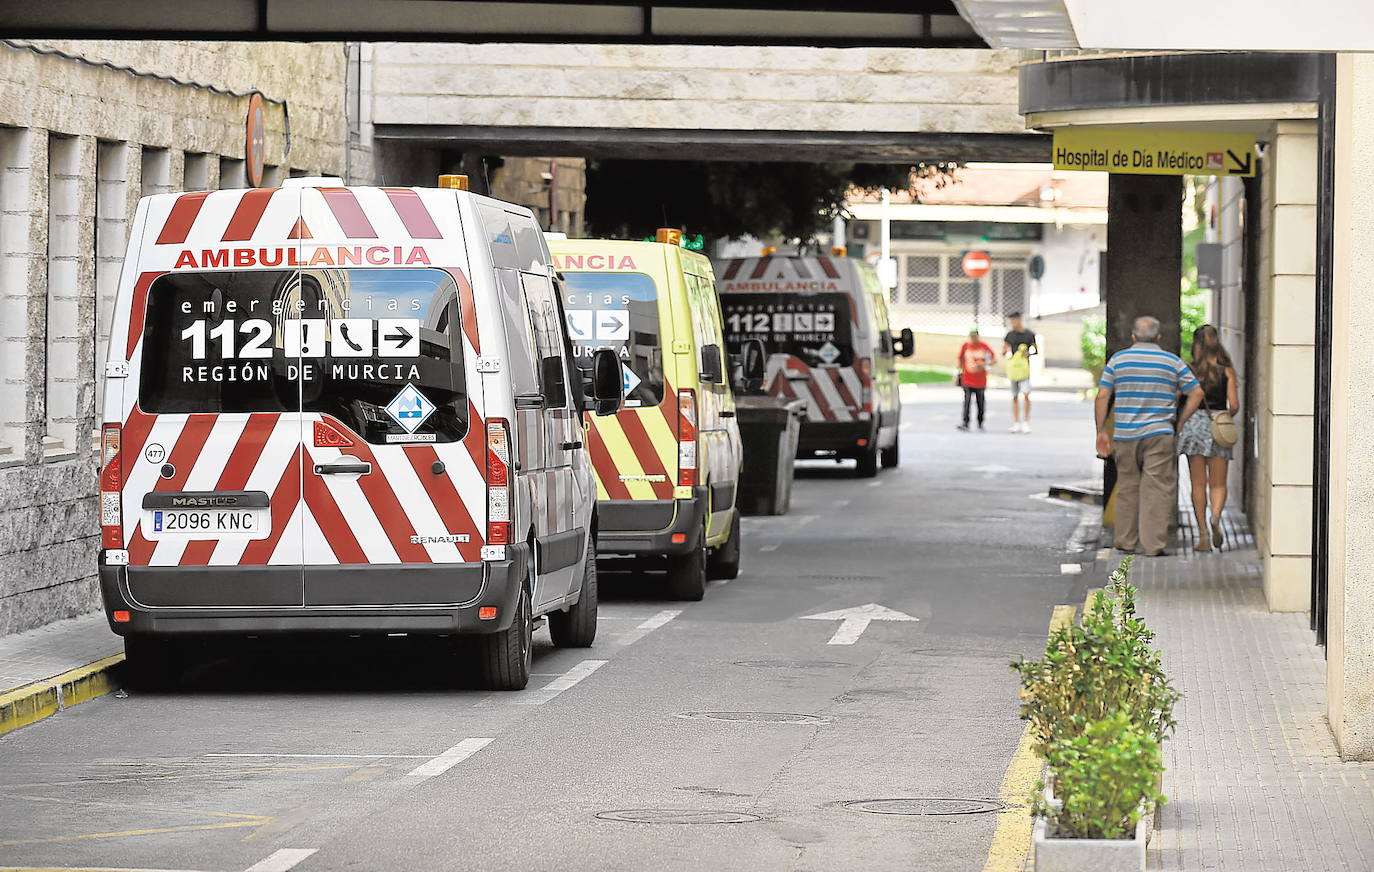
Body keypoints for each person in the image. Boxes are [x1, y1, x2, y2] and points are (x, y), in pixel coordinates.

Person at [1094, 315, 1204, 556]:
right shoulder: (1172, 362)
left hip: (1125, 434)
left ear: (1133, 336)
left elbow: (1102, 395)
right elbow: (1196, 392)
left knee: (1127, 486)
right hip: (1160, 433)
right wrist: (1180, 421)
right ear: (1158, 337)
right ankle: (1153, 546)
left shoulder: (1118, 360)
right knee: (1156, 489)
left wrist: (1101, 430)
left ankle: (1125, 541)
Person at [1178, 325, 1239, 551]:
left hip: (1194, 425)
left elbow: (1181, 397)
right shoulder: (1227, 372)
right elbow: (1234, 405)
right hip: (1218, 426)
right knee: (1218, 483)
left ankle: (1202, 534)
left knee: (1197, 484)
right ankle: (1215, 517)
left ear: (1196, 344)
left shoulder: (1189, 370)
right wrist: (1224, 415)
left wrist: (1181, 421)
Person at [1003, 312, 1038, 433]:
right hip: (1013, 369)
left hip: (1024, 370)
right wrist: (1006, 353)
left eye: (1013, 321)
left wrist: (1028, 353)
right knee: (1014, 396)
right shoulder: (1009, 335)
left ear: (1018, 320)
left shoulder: (1029, 335)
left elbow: (1035, 349)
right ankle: (1016, 421)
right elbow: (1004, 349)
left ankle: (1026, 421)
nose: (1012, 323)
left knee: (1026, 394)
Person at [956, 328, 995, 431]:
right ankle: (965, 422)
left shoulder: (984, 347)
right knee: (967, 401)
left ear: (978, 336)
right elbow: (960, 360)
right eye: (971, 336)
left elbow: (993, 360)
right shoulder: (966, 346)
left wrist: (984, 364)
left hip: (980, 380)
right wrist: (957, 374)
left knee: (980, 402)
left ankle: (980, 422)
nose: (973, 338)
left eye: (975, 336)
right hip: (967, 379)